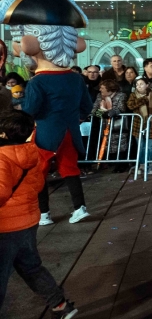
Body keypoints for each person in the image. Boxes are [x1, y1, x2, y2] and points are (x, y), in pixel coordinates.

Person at [1, 0, 94, 226]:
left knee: (37, 171)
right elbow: (86, 106)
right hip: (70, 131)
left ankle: (43, 213)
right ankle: (80, 207)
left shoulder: (38, 81)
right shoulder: (76, 78)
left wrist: (18, 107)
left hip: (45, 133)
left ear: (33, 43)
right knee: (70, 170)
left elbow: (31, 109)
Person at [0, 110, 79, 318]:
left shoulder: (1, 157)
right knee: (31, 267)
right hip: (27, 221)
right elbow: (37, 184)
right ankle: (60, 305)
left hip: (5, 225)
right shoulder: (32, 152)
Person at [90, 79, 129, 172]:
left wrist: (114, 112)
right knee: (107, 144)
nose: (100, 90)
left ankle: (121, 165)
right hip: (104, 125)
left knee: (120, 144)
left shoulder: (121, 95)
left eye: (102, 88)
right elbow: (94, 110)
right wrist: (102, 113)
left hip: (118, 125)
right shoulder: (100, 96)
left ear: (110, 88)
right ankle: (110, 163)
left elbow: (121, 108)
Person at [127, 78, 152, 175]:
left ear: (147, 85)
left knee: (151, 146)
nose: (138, 86)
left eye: (141, 84)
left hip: (151, 123)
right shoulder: (133, 95)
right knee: (141, 146)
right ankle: (141, 165)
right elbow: (130, 105)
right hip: (138, 124)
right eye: (137, 84)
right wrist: (144, 99)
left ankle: (151, 166)